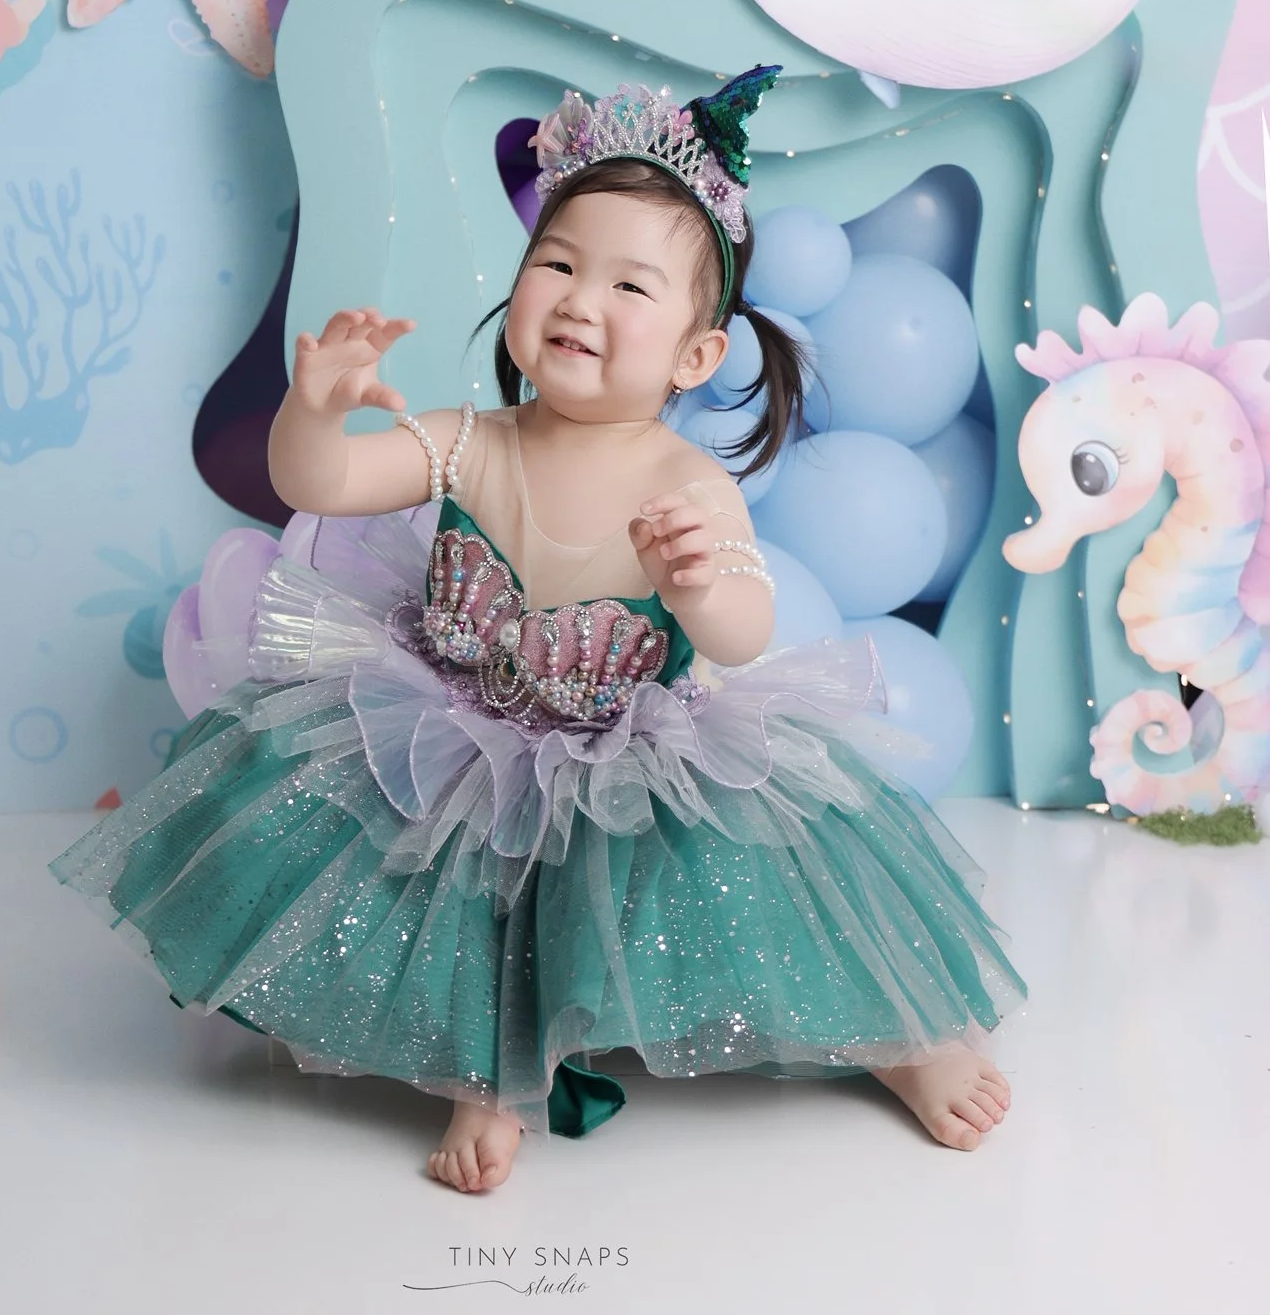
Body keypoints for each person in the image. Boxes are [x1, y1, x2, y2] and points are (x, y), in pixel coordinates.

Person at [52, 68, 1025, 1194]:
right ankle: (488, 1064)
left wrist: (700, 580)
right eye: (556, 263)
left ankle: (896, 1037)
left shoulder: (685, 476)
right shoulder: (472, 437)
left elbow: (746, 628)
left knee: (765, 897)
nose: (578, 299)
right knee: (425, 859)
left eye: (629, 285)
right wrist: (311, 408)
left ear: (694, 355)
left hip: (625, 754)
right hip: (448, 725)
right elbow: (314, 481)